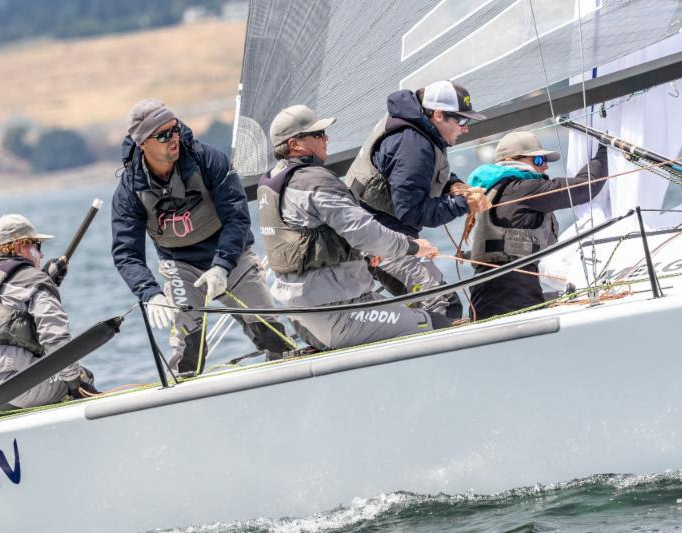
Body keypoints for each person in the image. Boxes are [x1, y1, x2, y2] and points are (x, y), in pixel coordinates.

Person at [112, 98, 289, 376]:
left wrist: (221, 266)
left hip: (232, 257)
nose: (174, 138)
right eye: (163, 135)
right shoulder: (129, 191)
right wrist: (151, 293)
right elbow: (126, 254)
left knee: (271, 334)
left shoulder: (209, 160)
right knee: (189, 348)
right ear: (142, 143)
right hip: (180, 265)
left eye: (174, 129)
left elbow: (237, 217)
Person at [258, 104, 452, 351]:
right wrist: (413, 247)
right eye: (317, 134)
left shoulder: (272, 183)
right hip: (339, 311)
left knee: (402, 317)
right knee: (435, 323)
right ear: (295, 144)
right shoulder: (314, 181)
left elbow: (313, 237)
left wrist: (359, 255)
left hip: (303, 315)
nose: (326, 138)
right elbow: (366, 233)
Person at [345, 80, 490, 319]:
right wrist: (464, 204)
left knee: (442, 305)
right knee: (442, 305)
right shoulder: (413, 144)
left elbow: (421, 175)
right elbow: (412, 211)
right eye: (462, 120)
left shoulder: (420, 130)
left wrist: (454, 186)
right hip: (377, 240)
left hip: (385, 234)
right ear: (439, 115)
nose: (466, 129)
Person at [0, 214, 96, 412]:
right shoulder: (33, 279)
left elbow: (3, 309)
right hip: (12, 389)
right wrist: (76, 384)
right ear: (18, 246)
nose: (41, 255)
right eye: (37, 246)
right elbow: (55, 335)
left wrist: (45, 279)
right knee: (82, 377)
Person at [467, 131, 608, 319]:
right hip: (510, 300)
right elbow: (585, 187)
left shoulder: (493, 189)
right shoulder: (522, 189)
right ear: (511, 160)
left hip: (488, 299)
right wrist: (605, 151)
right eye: (539, 161)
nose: (546, 166)